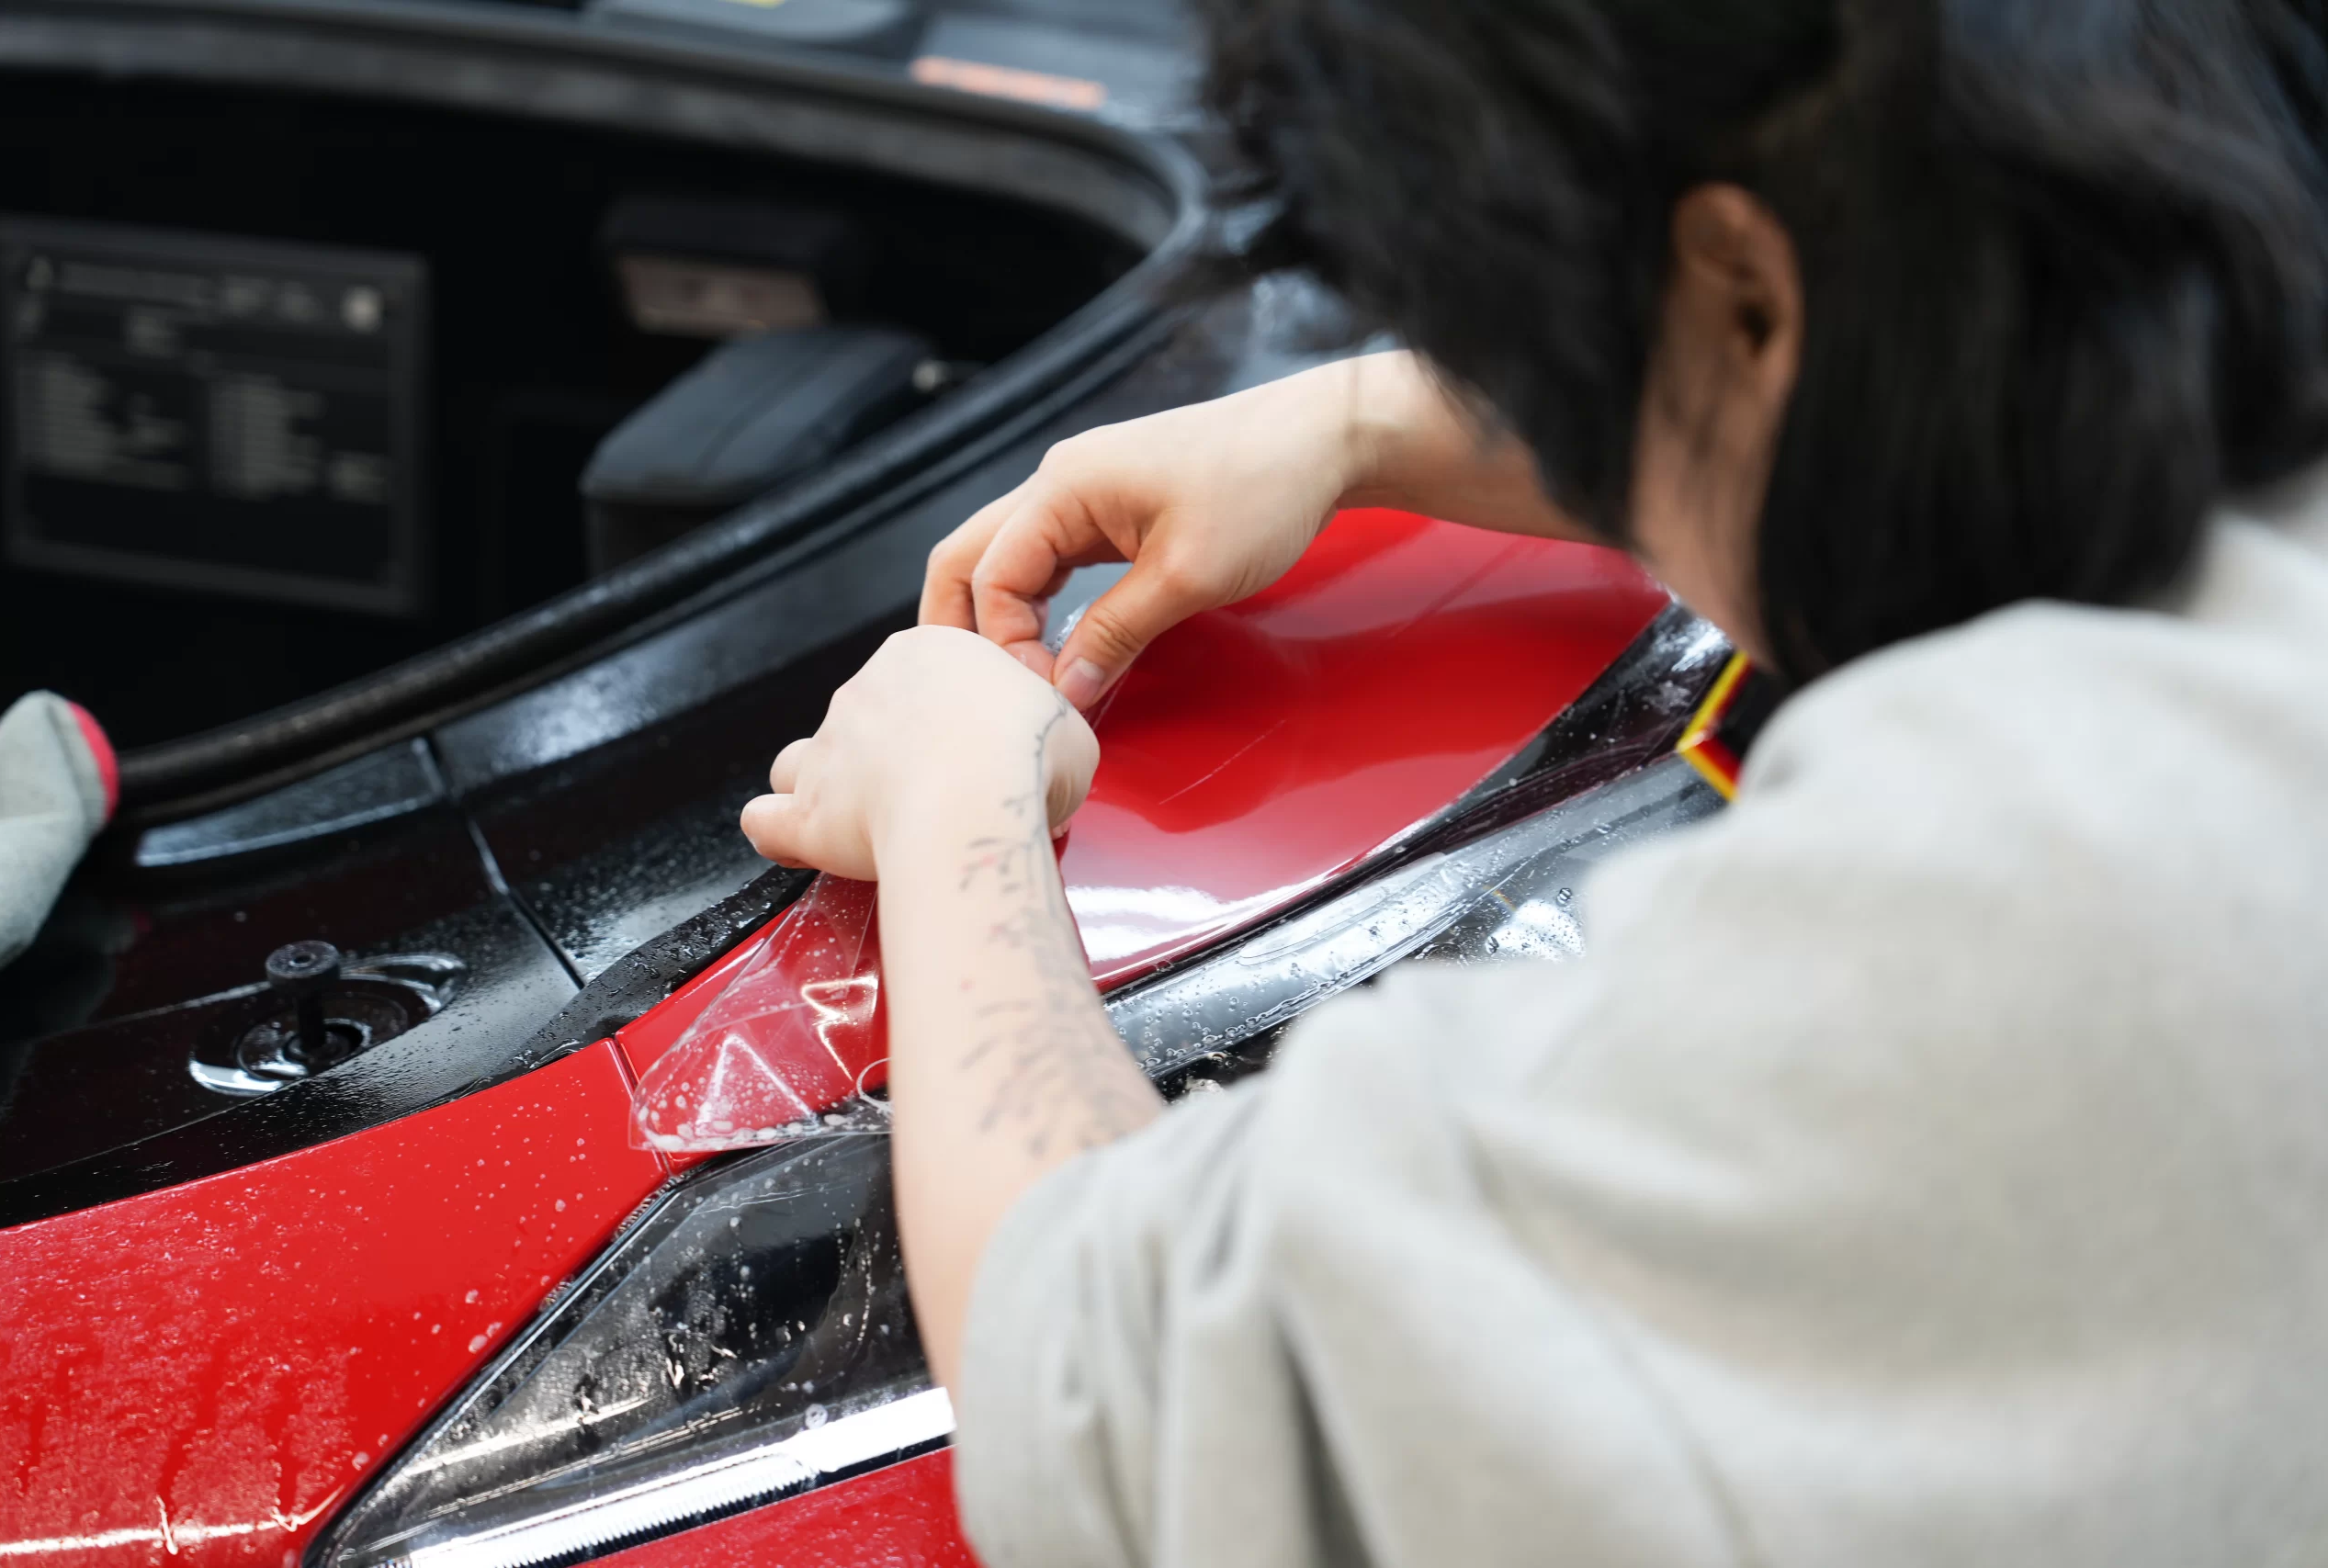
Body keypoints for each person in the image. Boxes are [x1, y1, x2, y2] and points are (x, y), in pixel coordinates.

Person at [741, 1, 2328, 1562]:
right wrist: (1363, 419)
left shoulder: (2024, 914)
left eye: (1554, 364)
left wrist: (957, 802)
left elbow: (1113, 1395)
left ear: (1744, 293)